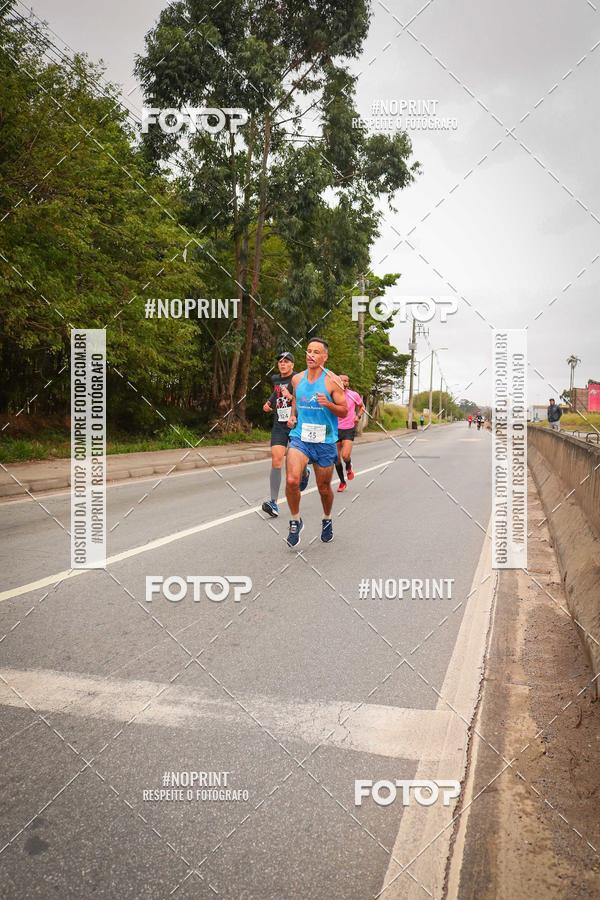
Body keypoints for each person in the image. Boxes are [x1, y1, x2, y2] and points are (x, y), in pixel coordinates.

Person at [285, 339, 348, 547]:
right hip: (300, 437)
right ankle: (295, 520)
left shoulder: (333, 380)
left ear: (325, 357)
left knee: (323, 488)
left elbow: (344, 410)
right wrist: (293, 416)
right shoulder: (296, 379)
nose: (311, 355)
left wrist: (328, 403)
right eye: (309, 351)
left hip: (325, 440)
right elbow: (296, 400)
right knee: (293, 481)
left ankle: (327, 519)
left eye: (316, 352)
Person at [261, 352, 309, 518]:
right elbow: (276, 393)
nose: (282, 364)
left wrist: (291, 397)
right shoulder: (275, 379)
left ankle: (305, 472)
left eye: (286, 361)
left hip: (296, 424)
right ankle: (273, 502)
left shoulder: (298, 379)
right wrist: (268, 402)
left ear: (292, 365)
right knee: (276, 459)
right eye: (280, 361)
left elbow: (305, 399)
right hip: (279, 424)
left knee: (296, 461)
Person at [335, 375, 364, 493]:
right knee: (335, 459)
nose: (345, 382)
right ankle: (342, 482)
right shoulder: (332, 395)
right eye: (342, 380)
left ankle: (348, 466)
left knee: (345, 455)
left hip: (348, 428)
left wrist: (358, 416)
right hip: (334, 429)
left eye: (347, 380)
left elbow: (362, 407)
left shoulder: (353, 395)